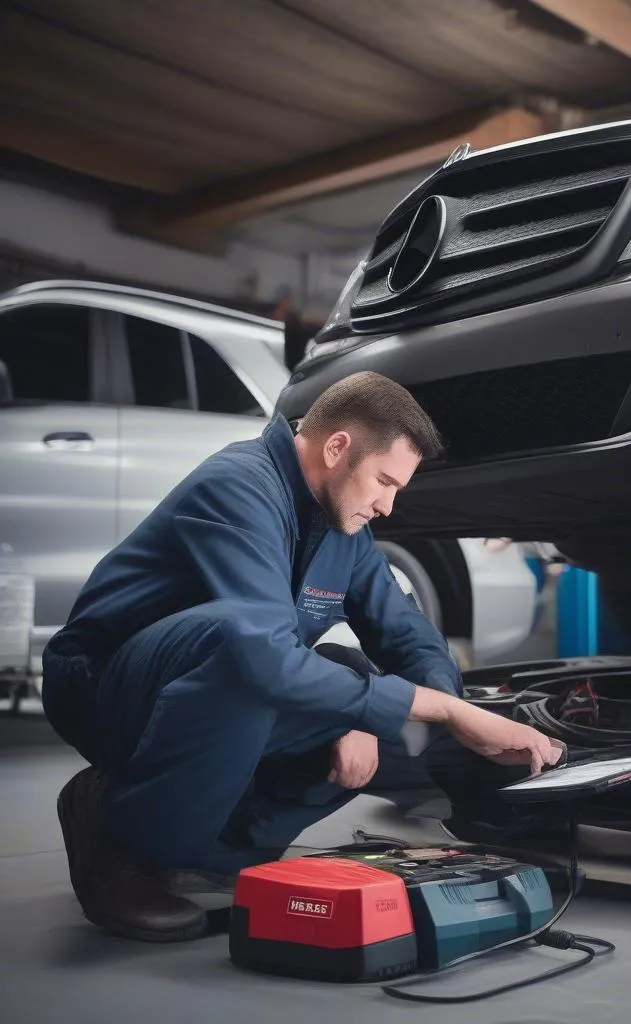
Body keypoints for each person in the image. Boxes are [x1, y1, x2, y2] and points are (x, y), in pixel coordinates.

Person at [42, 371, 563, 944]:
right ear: (338, 447)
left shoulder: (344, 527)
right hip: (105, 691)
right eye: (384, 481)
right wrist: (434, 711)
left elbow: (404, 631)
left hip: (211, 690)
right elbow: (257, 650)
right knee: (253, 650)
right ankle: (123, 834)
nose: (388, 506)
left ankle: (223, 855)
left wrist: (457, 712)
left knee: (371, 689)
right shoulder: (236, 486)